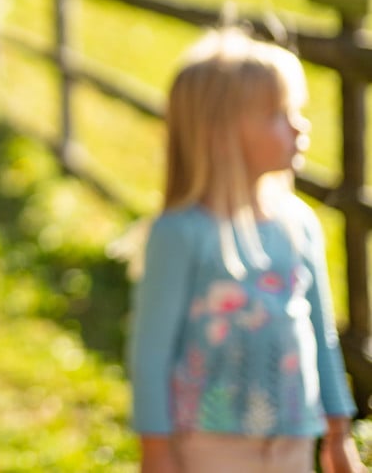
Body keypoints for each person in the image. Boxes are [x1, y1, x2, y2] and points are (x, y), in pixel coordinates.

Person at [128, 27, 365, 473]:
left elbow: (322, 335)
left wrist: (338, 431)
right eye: (279, 113)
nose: (299, 124)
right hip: (208, 445)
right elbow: (151, 355)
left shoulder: (299, 225)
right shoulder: (181, 234)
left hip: (294, 440)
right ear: (219, 133)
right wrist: (156, 452)